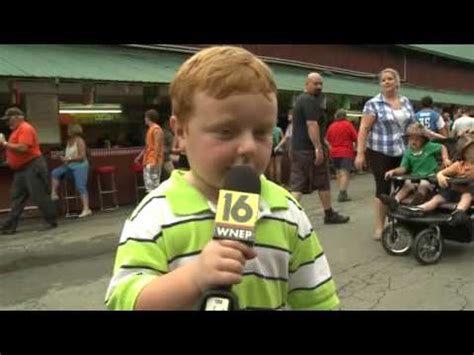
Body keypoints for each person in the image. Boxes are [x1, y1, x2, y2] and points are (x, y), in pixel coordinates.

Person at [105, 46, 340, 310]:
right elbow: (123, 300)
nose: (249, 147)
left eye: (261, 132)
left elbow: (318, 299)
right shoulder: (156, 214)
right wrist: (193, 277)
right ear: (181, 132)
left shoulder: (286, 211)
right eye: (226, 131)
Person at [355, 68, 417, 240]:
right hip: (380, 151)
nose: (387, 82)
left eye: (390, 79)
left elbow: (414, 126)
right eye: (383, 80)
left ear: (397, 82)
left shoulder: (406, 102)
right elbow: (364, 129)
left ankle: (401, 223)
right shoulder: (373, 103)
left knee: (405, 186)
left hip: (403, 151)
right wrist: (360, 153)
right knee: (383, 188)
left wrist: (435, 137)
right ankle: (379, 227)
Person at [289, 72, 349, 224]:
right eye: (315, 84)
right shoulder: (309, 100)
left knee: (303, 182)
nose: (319, 87)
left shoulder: (302, 100)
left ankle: (327, 213)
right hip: (308, 150)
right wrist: (318, 148)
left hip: (299, 148)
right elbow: (312, 124)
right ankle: (289, 216)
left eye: (320, 84)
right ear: (306, 84)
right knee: (303, 183)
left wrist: (323, 144)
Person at [0, 107, 57, 235]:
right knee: (16, 197)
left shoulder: (25, 128)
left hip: (33, 166)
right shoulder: (15, 131)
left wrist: (4, 143)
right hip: (21, 169)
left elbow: (23, 148)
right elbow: (16, 151)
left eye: (8, 119)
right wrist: (10, 161)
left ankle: (51, 220)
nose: (7, 122)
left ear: (16, 117)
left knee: (39, 195)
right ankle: (9, 226)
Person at [403, 133, 474, 226]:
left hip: (470, 193)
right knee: (438, 198)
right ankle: (419, 209)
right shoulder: (459, 165)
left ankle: (458, 213)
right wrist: (441, 176)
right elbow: (442, 173)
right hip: (454, 191)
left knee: (467, 196)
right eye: (470, 150)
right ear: (463, 152)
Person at [379, 122, 451, 208]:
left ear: (423, 140)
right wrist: (393, 171)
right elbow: (404, 168)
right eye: (411, 139)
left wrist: (445, 158)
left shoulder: (429, 147)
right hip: (415, 177)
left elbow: (442, 147)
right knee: (407, 185)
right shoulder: (408, 152)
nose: (413, 141)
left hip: (429, 177)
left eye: (417, 139)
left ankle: (417, 201)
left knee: (424, 184)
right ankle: (395, 200)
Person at [50, 124, 92, 218]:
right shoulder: (68, 141)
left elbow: (82, 156)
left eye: (68, 130)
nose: (67, 131)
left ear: (73, 131)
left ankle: (86, 208)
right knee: (55, 172)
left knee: (80, 186)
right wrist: (63, 159)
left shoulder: (80, 141)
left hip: (81, 166)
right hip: (70, 165)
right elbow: (68, 155)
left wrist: (68, 159)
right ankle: (54, 193)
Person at [325, 109, 358, 202]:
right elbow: (356, 137)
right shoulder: (348, 125)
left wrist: (331, 147)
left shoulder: (332, 126)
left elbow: (326, 139)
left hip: (334, 152)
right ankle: (342, 193)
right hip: (346, 152)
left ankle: (341, 190)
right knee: (345, 173)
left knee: (338, 172)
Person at [134, 109, 164, 193]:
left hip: (153, 160)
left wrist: (154, 160)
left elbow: (157, 146)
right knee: (149, 185)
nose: (144, 119)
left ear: (148, 118)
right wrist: (139, 156)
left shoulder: (156, 129)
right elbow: (148, 146)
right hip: (148, 160)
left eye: (145, 117)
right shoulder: (150, 130)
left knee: (154, 185)